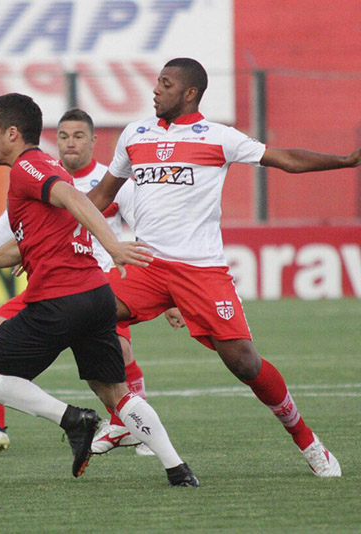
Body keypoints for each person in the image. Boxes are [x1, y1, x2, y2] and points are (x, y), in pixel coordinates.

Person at [88, 58, 361, 477]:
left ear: (190, 93)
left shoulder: (218, 137)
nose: (156, 90)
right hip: (145, 263)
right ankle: (124, 415)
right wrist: (46, 233)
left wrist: (346, 160)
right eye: (157, 82)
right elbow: (102, 195)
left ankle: (309, 443)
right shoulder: (134, 134)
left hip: (200, 271)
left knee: (245, 363)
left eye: (165, 84)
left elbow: (285, 159)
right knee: (87, 312)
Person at [0, 93, 198, 485]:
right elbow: (25, 243)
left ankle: (72, 420)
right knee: (115, 392)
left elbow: (72, 196)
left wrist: (113, 245)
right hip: (95, 297)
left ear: (12, 133)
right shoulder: (43, 167)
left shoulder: (30, 167)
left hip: (59, 299)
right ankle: (178, 469)